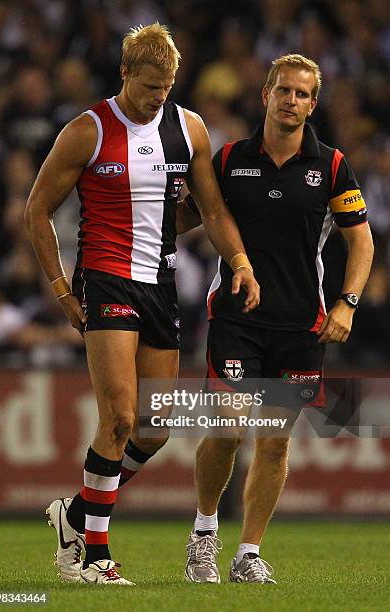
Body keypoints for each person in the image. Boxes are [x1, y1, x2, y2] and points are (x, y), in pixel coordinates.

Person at [25, 23, 259, 586]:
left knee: (154, 428)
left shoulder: (189, 129)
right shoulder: (87, 131)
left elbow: (213, 208)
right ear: (125, 74)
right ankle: (93, 556)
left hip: (160, 283)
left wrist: (242, 262)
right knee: (121, 417)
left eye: (168, 86)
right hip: (105, 280)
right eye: (151, 86)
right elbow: (36, 211)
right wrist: (61, 289)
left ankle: (76, 514)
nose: (160, 96)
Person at [179, 54, 374, 584]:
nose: (291, 101)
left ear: (314, 103)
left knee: (274, 440)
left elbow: (362, 240)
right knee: (227, 429)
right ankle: (203, 535)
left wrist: (347, 302)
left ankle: (247, 555)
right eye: (283, 91)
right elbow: (190, 218)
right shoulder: (228, 161)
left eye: (302, 94)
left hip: (301, 326)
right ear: (264, 94)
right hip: (237, 318)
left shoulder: (331, 166)